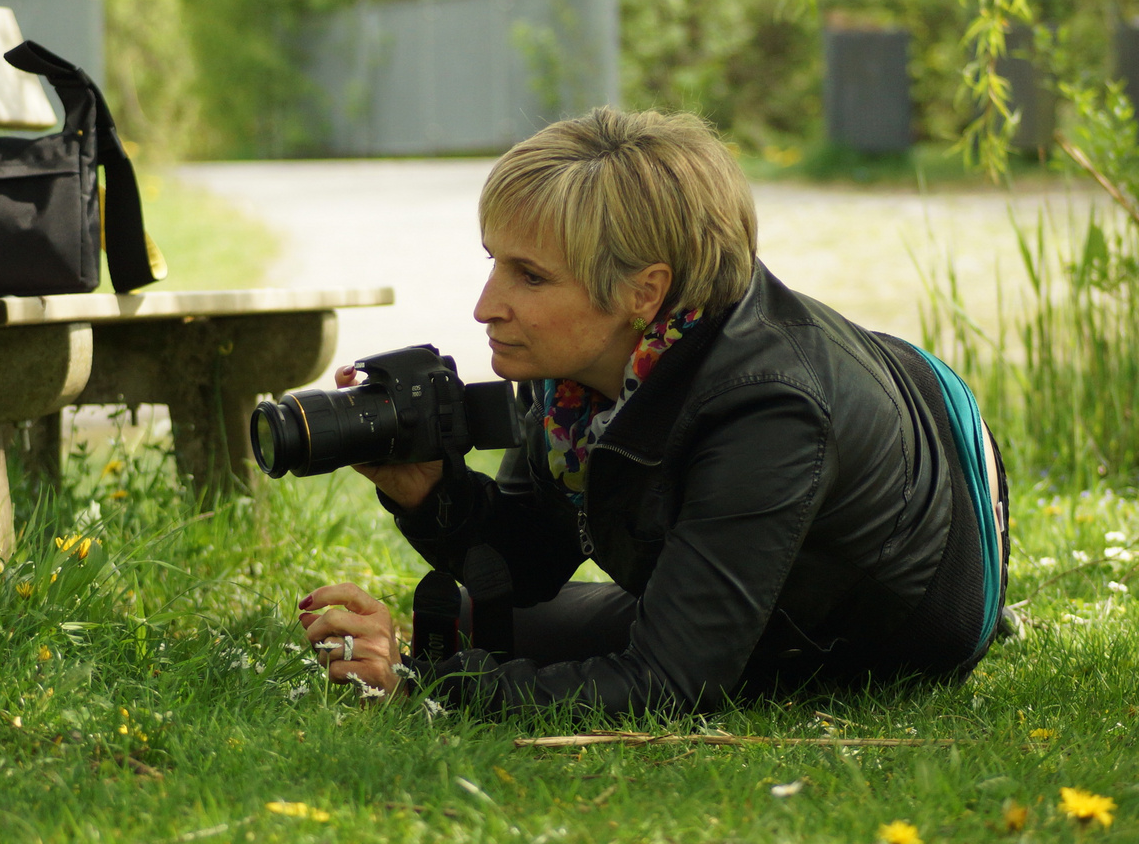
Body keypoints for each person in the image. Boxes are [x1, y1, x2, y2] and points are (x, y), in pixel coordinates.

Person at [298, 107, 1009, 717]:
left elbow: (670, 680)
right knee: (477, 622)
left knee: (506, 641)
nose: (486, 306)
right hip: (845, 460)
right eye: (494, 262)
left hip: (894, 613)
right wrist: (428, 492)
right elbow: (526, 565)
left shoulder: (768, 414)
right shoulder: (575, 376)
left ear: (646, 291)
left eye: (530, 276)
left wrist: (429, 687)